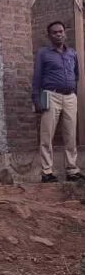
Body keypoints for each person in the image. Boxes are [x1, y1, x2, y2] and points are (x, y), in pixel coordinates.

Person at [32, 21, 85, 183]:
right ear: (49, 36)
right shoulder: (43, 53)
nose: (58, 34)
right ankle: (47, 172)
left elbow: (76, 75)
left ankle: (72, 169)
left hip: (70, 97)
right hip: (50, 95)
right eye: (54, 32)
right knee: (47, 134)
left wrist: (73, 92)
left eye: (61, 31)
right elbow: (37, 77)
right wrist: (37, 99)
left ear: (65, 33)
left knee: (70, 134)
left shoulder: (72, 53)